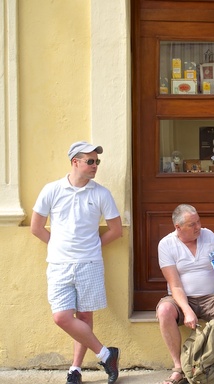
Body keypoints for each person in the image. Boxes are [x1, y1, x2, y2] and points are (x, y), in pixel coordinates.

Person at [30, 141, 123, 384]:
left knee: (84, 317)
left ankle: (75, 369)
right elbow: (36, 228)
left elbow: (116, 230)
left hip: (89, 263)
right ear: (75, 162)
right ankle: (106, 354)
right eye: (90, 161)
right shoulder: (51, 190)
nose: (95, 166)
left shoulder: (101, 193)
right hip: (59, 264)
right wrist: (58, 246)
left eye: (97, 162)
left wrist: (91, 246)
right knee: (61, 317)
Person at [156, 204, 214, 384]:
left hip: (211, 297)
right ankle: (178, 368)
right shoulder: (166, 244)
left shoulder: (210, 236)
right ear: (178, 227)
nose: (198, 227)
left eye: (198, 221)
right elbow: (175, 285)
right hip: (181, 298)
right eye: (192, 224)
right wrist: (187, 310)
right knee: (164, 310)